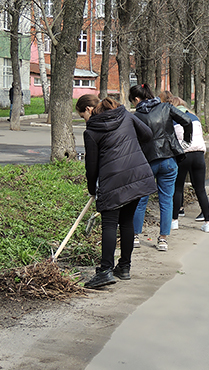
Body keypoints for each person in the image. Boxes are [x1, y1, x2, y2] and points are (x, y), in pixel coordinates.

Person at [76, 95, 157, 289]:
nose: (84, 120)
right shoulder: (126, 116)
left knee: (110, 224)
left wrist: (91, 189)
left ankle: (105, 271)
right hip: (138, 175)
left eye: (82, 116)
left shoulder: (92, 131)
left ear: (89, 110)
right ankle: (124, 267)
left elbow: (92, 165)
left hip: (113, 181)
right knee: (127, 222)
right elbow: (147, 134)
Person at [129, 84, 193, 252]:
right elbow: (187, 120)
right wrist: (186, 141)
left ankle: (134, 236)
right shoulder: (165, 107)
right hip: (168, 159)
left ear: (137, 99)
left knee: (141, 199)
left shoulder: (137, 116)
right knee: (166, 200)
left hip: (147, 161)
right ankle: (163, 239)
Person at [169, 96, 209, 233]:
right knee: (200, 189)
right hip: (199, 154)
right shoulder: (194, 117)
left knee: (178, 188)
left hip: (184, 155)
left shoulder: (172, 118)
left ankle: (174, 221)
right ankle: (207, 222)